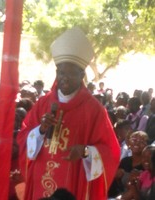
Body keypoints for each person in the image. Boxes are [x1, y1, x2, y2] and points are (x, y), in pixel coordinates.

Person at [17, 27, 120, 200]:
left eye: (71, 73)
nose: (64, 78)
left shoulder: (93, 109)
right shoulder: (43, 103)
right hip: (40, 175)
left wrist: (85, 151)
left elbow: (110, 152)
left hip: (73, 178)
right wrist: (40, 130)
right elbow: (23, 138)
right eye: (61, 72)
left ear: (82, 75)